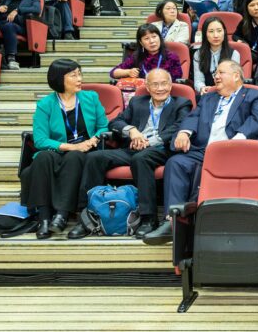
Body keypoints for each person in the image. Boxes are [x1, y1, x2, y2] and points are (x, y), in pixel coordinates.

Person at [145, 59, 258, 245]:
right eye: (216, 73)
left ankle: (193, 222)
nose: (216, 76)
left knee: (203, 172)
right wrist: (184, 132)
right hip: (204, 149)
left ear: (236, 76)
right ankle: (172, 221)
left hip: (234, 152)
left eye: (221, 73)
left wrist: (238, 140)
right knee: (176, 162)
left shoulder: (254, 96)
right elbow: (193, 117)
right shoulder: (209, 97)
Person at [74, 68, 193, 239]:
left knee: (141, 158)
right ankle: (86, 216)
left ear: (170, 85)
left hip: (162, 150)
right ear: (147, 86)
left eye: (164, 84)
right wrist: (132, 132)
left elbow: (179, 126)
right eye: (155, 84)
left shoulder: (181, 103)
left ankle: (148, 218)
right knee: (94, 157)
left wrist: (149, 142)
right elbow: (116, 122)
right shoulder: (138, 102)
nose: (160, 88)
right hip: (133, 147)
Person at [21, 59, 110, 240]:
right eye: (73, 75)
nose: (80, 79)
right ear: (59, 79)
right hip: (56, 150)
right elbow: (40, 139)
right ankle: (44, 219)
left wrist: (92, 140)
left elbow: (104, 127)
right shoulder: (45, 104)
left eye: (79, 74)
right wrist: (70, 146)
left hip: (83, 151)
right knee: (42, 158)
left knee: (75, 156)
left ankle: (61, 215)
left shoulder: (90, 97)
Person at [0, 0, 42, 69]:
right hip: (1, 23)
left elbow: (36, 10)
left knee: (9, 26)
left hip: (20, 26)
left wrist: (17, 10)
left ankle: (11, 58)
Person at [111, 23, 184, 82]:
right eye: (146, 38)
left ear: (160, 38)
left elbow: (178, 79)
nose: (152, 41)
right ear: (141, 42)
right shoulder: (136, 57)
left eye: (154, 36)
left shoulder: (171, 57)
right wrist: (128, 72)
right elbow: (113, 72)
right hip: (142, 94)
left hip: (164, 92)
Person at [192, 16, 238, 95]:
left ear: (224, 32)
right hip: (207, 94)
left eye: (219, 31)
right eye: (211, 31)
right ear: (205, 34)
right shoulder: (198, 54)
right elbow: (198, 81)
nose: (216, 35)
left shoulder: (234, 54)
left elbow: (233, 80)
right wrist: (203, 88)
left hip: (228, 93)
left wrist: (216, 89)